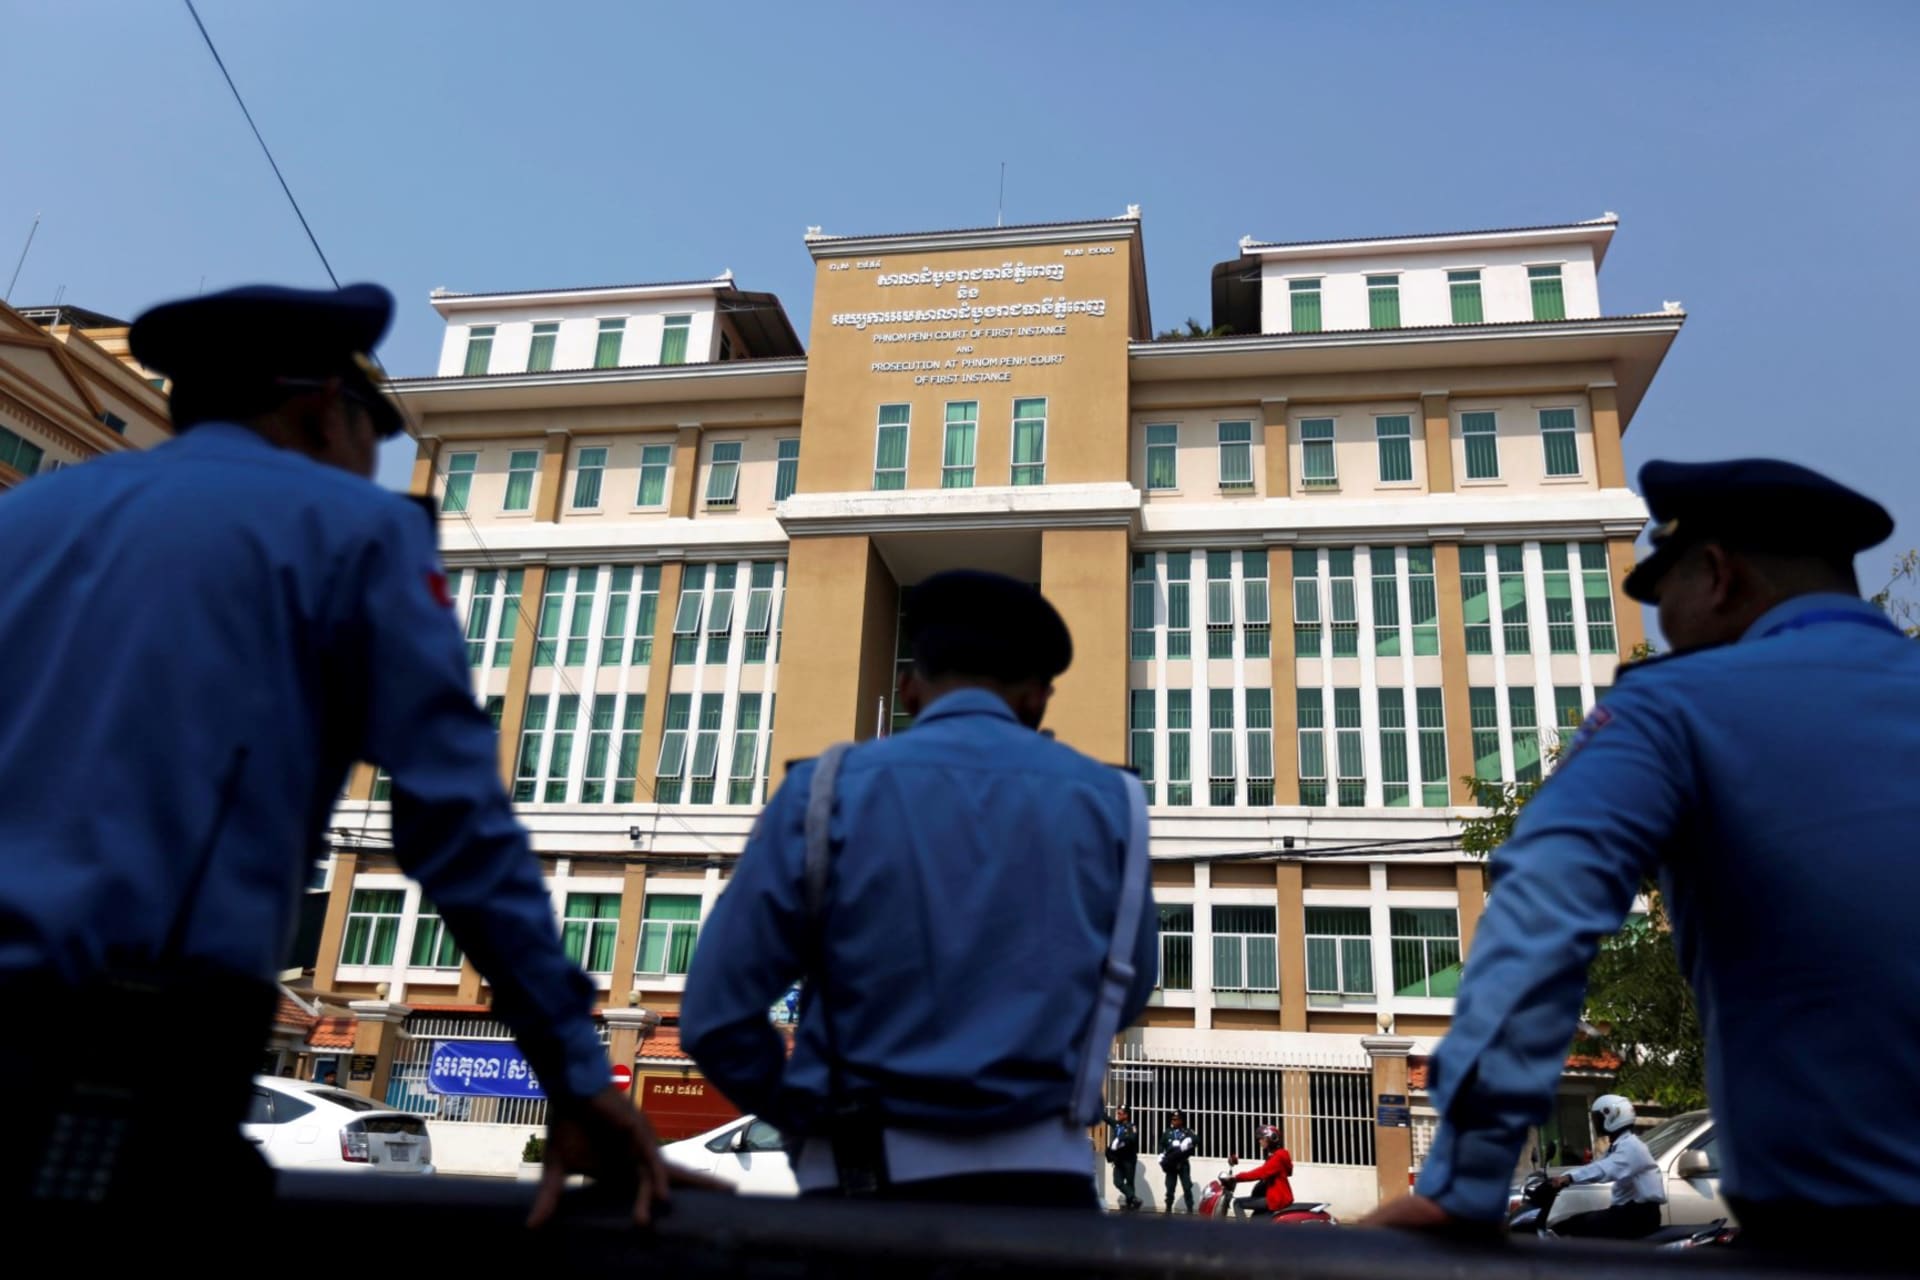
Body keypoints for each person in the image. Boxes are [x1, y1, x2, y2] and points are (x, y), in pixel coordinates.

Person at [0, 283, 690, 1228]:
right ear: (323, 407)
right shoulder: (356, 529)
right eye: (378, 429)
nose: (374, 460)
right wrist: (573, 1068)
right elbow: (457, 823)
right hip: (130, 1047)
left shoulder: (28, 518)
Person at [1364, 458, 1920, 1260]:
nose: (1665, 632)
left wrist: (1461, 1182)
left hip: (1839, 1242)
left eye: (1665, 603)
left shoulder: (1677, 704)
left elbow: (1542, 914)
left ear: (1719, 574)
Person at [682, 569, 1157, 1210]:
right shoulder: (1113, 804)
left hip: (856, 1190)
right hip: (1049, 1203)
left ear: (908, 689)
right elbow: (1125, 993)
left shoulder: (822, 794)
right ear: (1037, 699)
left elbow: (715, 1016)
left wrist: (806, 1115)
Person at [1546, 1095, 1664, 1239]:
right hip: (1628, 1212)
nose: (1596, 1123)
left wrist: (1569, 1178)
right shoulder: (1620, 1145)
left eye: (1598, 1118)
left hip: (1639, 1216)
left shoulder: (1631, 1147)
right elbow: (1596, 1166)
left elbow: (1604, 1170)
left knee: (1572, 1227)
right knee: (1574, 1224)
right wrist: (1564, 1176)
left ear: (1613, 1116)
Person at [1223, 1124, 1294, 1218]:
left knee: (1237, 1203)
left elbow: (1260, 1173)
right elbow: (1267, 1174)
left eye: (1262, 1138)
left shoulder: (1278, 1157)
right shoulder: (1274, 1156)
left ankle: (1242, 1231)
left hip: (1276, 1199)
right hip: (1273, 1196)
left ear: (1271, 1138)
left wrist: (1236, 1178)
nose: (1259, 1141)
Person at [1104, 1105, 1142, 1211]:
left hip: (1129, 1159)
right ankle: (1133, 1198)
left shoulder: (1131, 1126)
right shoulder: (1116, 1125)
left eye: (1120, 1113)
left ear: (1126, 1115)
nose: (1117, 1115)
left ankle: (1131, 1205)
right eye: (1117, 1113)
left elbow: (1133, 1138)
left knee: (1130, 1182)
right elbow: (1106, 1118)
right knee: (1117, 1182)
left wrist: (1121, 1140)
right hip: (1119, 1160)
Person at [1159, 1109, 1197, 1213]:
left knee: (1187, 1187)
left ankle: (1190, 1208)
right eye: (1172, 1119)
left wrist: (1189, 1140)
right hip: (1171, 1164)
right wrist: (1161, 1154)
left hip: (1183, 1163)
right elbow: (1161, 1144)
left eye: (1176, 1119)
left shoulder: (1187, 1132)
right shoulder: (1168, 1132)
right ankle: (1168, 1208)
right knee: (1170, 1187)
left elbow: (1196, 1139)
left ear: (1181, 1120)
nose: (1174, 1121)